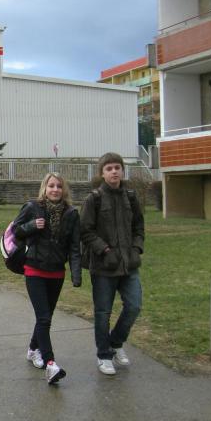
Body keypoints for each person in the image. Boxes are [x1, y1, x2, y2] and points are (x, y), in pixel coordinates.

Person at [12, 173, 81, 385]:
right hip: (34, 269)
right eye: (51, 185)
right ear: (44, 188)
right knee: (44, 318)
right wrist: (32, 225)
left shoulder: (71, 213)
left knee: (46, 316)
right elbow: (15, 231)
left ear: (64, 189)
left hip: (56, 272)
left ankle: (33, 349)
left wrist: (76, 274)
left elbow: (74, 246)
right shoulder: (32, 207)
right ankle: (51, 364)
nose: (55, 189)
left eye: (59, 186)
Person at [80, 152, 144, 376]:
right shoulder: (94, 199)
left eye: (117, 167)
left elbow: (138, 227)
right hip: (104, 267)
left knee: (134, 306)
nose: (114, 171)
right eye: (109, 168)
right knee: (103, 312)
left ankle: (116, 343)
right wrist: (105, 250)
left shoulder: (131, 197)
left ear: (122, 170)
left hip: (129, 264)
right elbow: (85, 231)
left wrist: (136, 249)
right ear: (102, 173)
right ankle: (104, 355)